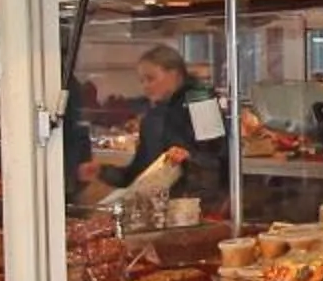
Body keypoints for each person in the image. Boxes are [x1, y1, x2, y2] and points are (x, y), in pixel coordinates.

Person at [75, 46, 225, 206]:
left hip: (197, 208)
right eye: (142, 81)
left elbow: (219, 160)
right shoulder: (153, 116)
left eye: (151, 78)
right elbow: (138, 174)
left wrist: (189, 159)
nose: (145, 86)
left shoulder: (202, 101)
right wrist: (102, 171)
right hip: (159, 208)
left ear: (174, 74)